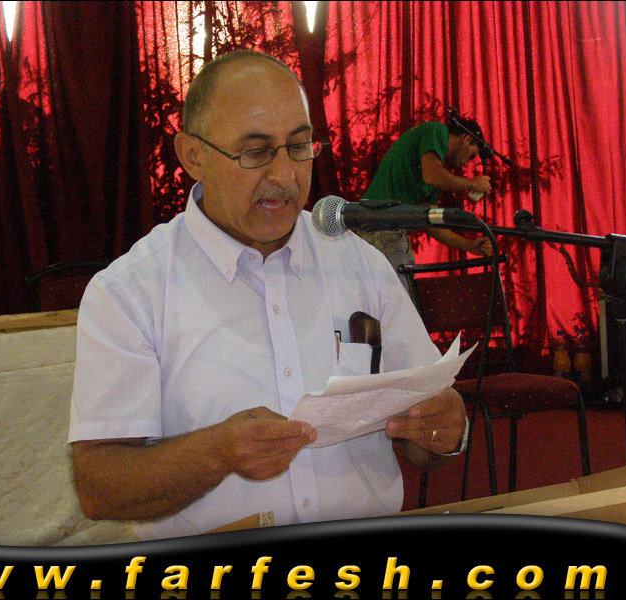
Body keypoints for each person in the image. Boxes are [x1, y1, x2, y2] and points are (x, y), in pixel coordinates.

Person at [68, 50, 467, 540]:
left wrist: (442, 429)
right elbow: (99, 487)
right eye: (256, 152)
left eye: (298, 147)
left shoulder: (358, 262)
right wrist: (216, 453)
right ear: (193, 156)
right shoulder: (131, 291)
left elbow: (426, 425)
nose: (285, 176)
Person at [358, 118, 493, 296]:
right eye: (471, 156)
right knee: (399, 300)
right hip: (381, 226)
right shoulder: (437, 129)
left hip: (387, 229)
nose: (466, 164)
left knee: (401, 298)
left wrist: (469, 246)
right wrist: (473, 184)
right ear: (467, 139)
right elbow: (432, 175)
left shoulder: (432, 174)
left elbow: (430, 224)